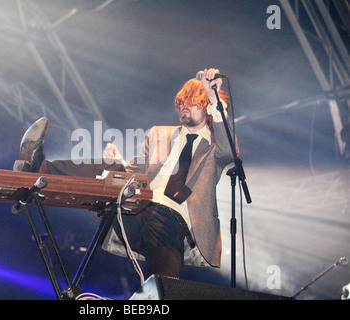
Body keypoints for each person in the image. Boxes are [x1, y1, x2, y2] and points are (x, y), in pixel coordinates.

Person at [15, 68, 237, 279]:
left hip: (176, 221)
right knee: (112, 167)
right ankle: (41, 169)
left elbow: (229, 152)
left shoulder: (215, 144)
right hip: (139, 207)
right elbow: (134, 172)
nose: (183, 106)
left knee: (163, 285)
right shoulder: (159, 133)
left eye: (191, 100)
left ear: (206, 106)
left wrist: (214, 99)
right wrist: (119, 162)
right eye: (180, 101)